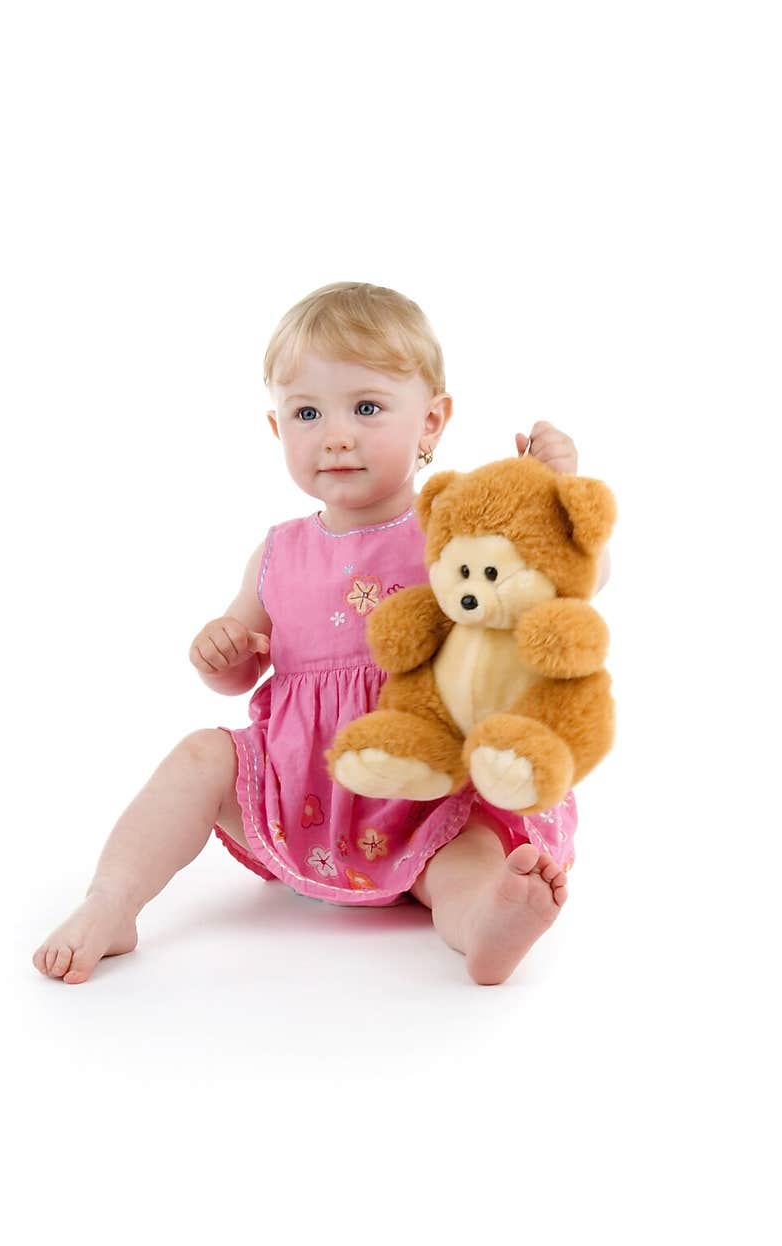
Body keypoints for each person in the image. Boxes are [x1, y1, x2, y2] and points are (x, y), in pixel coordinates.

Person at [32, 281, 608, 987]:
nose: (335, 434)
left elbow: (577, 579)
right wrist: (222, 651)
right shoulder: (278, 551)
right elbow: (243, 667)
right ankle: (111, 902)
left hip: (432, 788)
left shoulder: (452, 527)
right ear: (278, 429)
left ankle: (486, 922)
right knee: (197, 757)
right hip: (302, 793)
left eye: (366, 408)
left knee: (467, 856)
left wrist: (556, 494)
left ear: (431, 423)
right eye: (307, 411)